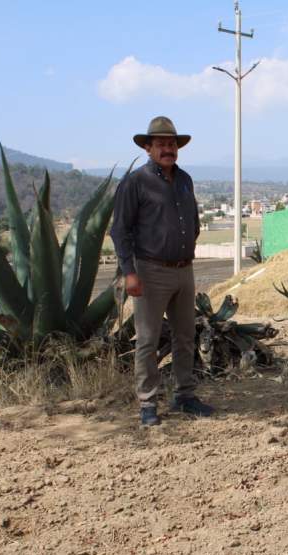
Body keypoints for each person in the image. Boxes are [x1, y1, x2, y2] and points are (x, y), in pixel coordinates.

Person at [110, 116, 215, 426]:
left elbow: (193, 222)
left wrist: (184, 249)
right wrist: (130, 272)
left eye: (172, 144)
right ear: (148, 147)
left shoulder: (185, 180)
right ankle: (147, 403)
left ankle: (185, 396)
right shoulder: (135, 183)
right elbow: (119, 231)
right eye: (161, 144)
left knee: (185, 336)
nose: (168, 149)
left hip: (184, 270)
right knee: (148, 339)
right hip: (149, 271)